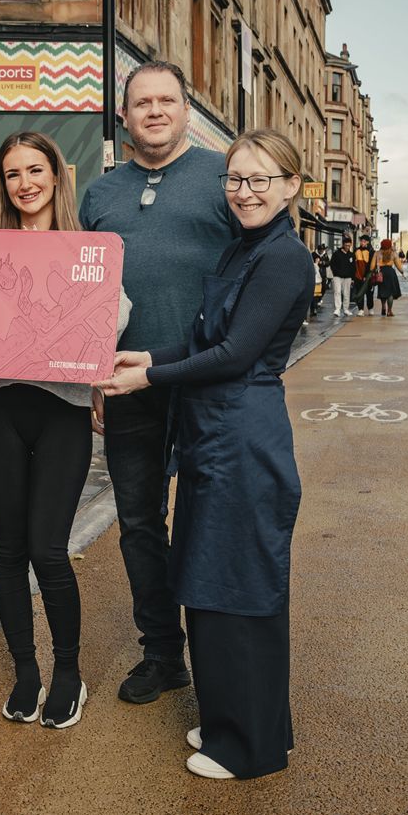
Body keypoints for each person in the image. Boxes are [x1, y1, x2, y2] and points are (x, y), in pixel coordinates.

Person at [95, 127, 310, 781]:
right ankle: (241, 722)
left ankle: (245, 747)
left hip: (242, 435)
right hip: (217, 434)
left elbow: (235, 353)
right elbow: (202, 336)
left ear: (290, 186)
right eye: (236, 180)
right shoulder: (246, 247)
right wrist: (150, 355)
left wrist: (145, 378)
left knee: (237, 588)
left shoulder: (282, 256)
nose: (244, 192)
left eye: (259, 180)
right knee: (218, 582)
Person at [78, 60, 238, 704]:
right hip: (124, 381)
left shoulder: (223, 179)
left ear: (185, 110)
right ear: (124, 115)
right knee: (140, 521)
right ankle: (162, 653)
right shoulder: (100, 194)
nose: (153, 111)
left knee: (208, 518)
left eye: (165, 100)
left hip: (202, 377)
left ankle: (219, 658)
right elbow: (86, 294)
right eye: (141, 102)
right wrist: (89, 371)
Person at [0, 132, 130, 728]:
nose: (25, 183)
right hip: (0, 411)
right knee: (6, 551)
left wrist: (94, 313)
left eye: (35, 170)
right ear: (2, 186)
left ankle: (68, 673)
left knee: (47, 550)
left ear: (57, 176)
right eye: (12, 174)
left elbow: (119, 316)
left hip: (63, 413)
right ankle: (25, 671)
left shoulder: (88, 248)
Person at [371, 239, 402, 317]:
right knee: (390, 293)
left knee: (383, 291)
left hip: (381, 273)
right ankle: (389, 311)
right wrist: (402, 272)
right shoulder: (393, 253)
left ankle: (383, 307)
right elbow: (399, 266)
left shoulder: (377, 253)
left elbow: (371, 267)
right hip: (391, 273)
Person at [329, 235, 355, 317]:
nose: (348, 247)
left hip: (348, 277)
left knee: (347, 293)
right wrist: (335, 272)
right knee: (337, 291)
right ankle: (337, 309)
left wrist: (352, 278)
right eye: (346, 245)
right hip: (337, 276)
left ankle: (346, 309)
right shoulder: (336, 254)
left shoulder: (351, 255)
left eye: (349, 245)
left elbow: (353, 267)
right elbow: (332, 264)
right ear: (343, 244)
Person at [352, 236, 375, 315]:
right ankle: (360, 309)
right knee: (359, 292)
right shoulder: (356, 250)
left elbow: (371, 265)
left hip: (368, 276)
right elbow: (353, 264)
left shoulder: (371, 251)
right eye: (361, 241)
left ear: (368, 242)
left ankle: (370, 308)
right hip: (358, 275)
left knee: (369, 293)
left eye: (364, 241)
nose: (362, 243)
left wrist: (367, 275)